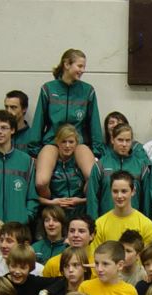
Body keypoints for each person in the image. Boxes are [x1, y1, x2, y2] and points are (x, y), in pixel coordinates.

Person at [31, 48, 101, 192]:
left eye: (84, 67)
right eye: (80, 66)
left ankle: (82, 205)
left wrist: (97, 152)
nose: (82, 70)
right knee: (41, 181)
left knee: (94, 177)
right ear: (67, 64)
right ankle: (51, 208)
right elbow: (39, 121)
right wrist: (34, 152)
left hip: (79, 142)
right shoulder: (48, 89)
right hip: (52, 141)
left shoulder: (88, 91)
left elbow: (94, 124)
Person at [87, 123, 150, 218]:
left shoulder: (141, 166)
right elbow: (92, 198)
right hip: (107, 222)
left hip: (133, 223)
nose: (124, 144)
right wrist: (92, 224)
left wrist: (147, 220)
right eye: (120, 140)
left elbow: (147, 200)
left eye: (128, 140)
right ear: (112, 140)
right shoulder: (100, 165)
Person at [91, 170, 152, 249]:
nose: (119, 196)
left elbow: (149, 258)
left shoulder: (146, 225)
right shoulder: (99, 224)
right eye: (115, 191)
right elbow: (95, 257)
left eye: (124, 191)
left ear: (133, 192)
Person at [42, 124, 87, 221]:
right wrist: (52, 202)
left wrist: (81, 201)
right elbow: (33, 196)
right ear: (57, 142)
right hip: (55, 217)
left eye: (71, 142)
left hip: (79, 215)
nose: (67, 146)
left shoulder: (81, 164)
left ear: (76, 143)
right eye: (63, 141)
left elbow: (96, 194)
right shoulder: (49, 164)